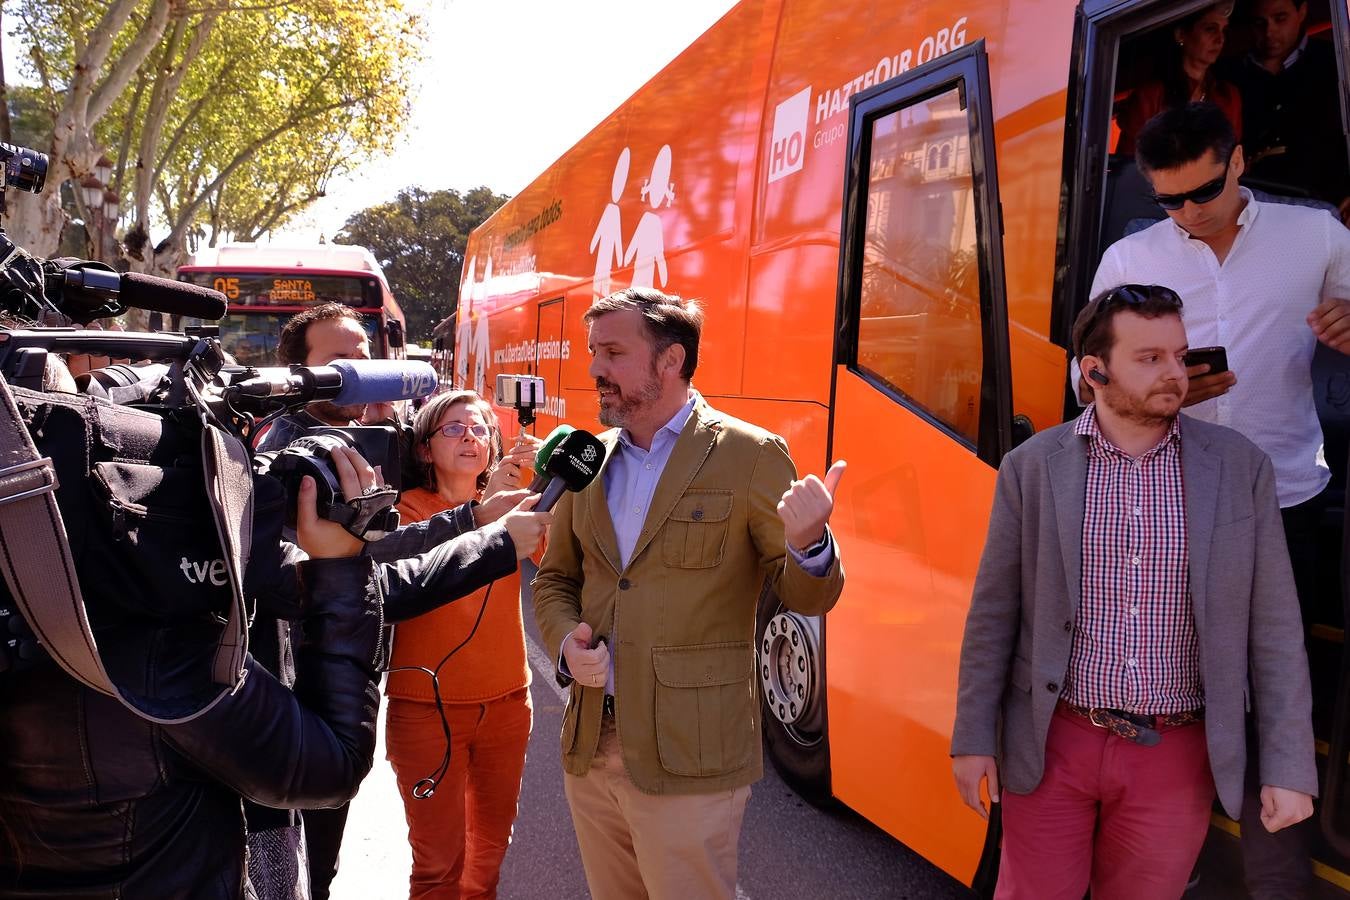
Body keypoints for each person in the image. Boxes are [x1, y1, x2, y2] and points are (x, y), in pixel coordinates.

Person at [953, 284, 1317, 898]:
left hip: (1174, 751)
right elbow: (994, 613)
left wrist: (1287, 767)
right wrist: (972, 737)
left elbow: (1275, 630)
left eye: (1179, 355)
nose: (1174, 373)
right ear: (1095, 372)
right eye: (1150, 359)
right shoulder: (1032, 468)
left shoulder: (1239, 468)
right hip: (1052, 741)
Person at [1080, 101, 1350, 895]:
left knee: (1278, 687)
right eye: (1167, 200)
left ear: (1236, 163)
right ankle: (1168, 855)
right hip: (1166, 501)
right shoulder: (1132, 259)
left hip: (1287, 500)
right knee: (1168, 686)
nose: (1187, 214)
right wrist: (1161, 393)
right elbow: (1083, 378)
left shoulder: (1317, 238)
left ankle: (1277, 876)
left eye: (1200, 192)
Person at [532, 287, 846, 900]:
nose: (595, 368)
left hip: (692, 754)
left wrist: (809, 544)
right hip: (592, 744)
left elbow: (807, 599)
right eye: (594, 351)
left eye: (614, 353)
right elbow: (555, 581)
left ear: (670, 361)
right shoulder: (586, 459)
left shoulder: (749, 455)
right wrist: (565, 643)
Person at [384, 390, 542, 900]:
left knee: (489, 855)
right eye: (452, 428)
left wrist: (549, 486)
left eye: (479, 428)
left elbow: (562, 557)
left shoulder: (511, 509)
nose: (469, 436)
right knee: (437, 867)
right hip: (425, 713)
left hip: (508, 705)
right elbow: (400, 571)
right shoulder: (403, 515)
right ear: (425, 449)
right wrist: (481, 514)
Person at [1222, 0, 1350, 222]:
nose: (1269, 31)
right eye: (1259, 23)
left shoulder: (1337, 61)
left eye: (1280, 19)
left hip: (1331, 206)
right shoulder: (1227, 77)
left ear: (1302, 12)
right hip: (1255, 212)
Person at [1116, 3, 1241, 156]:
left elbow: (1232, 159)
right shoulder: (1151, 96)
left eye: (1224, 31)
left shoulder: (1228, 96)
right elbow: (1128, 164)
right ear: (1181, 34)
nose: (1220, 39)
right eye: (1210, 29)